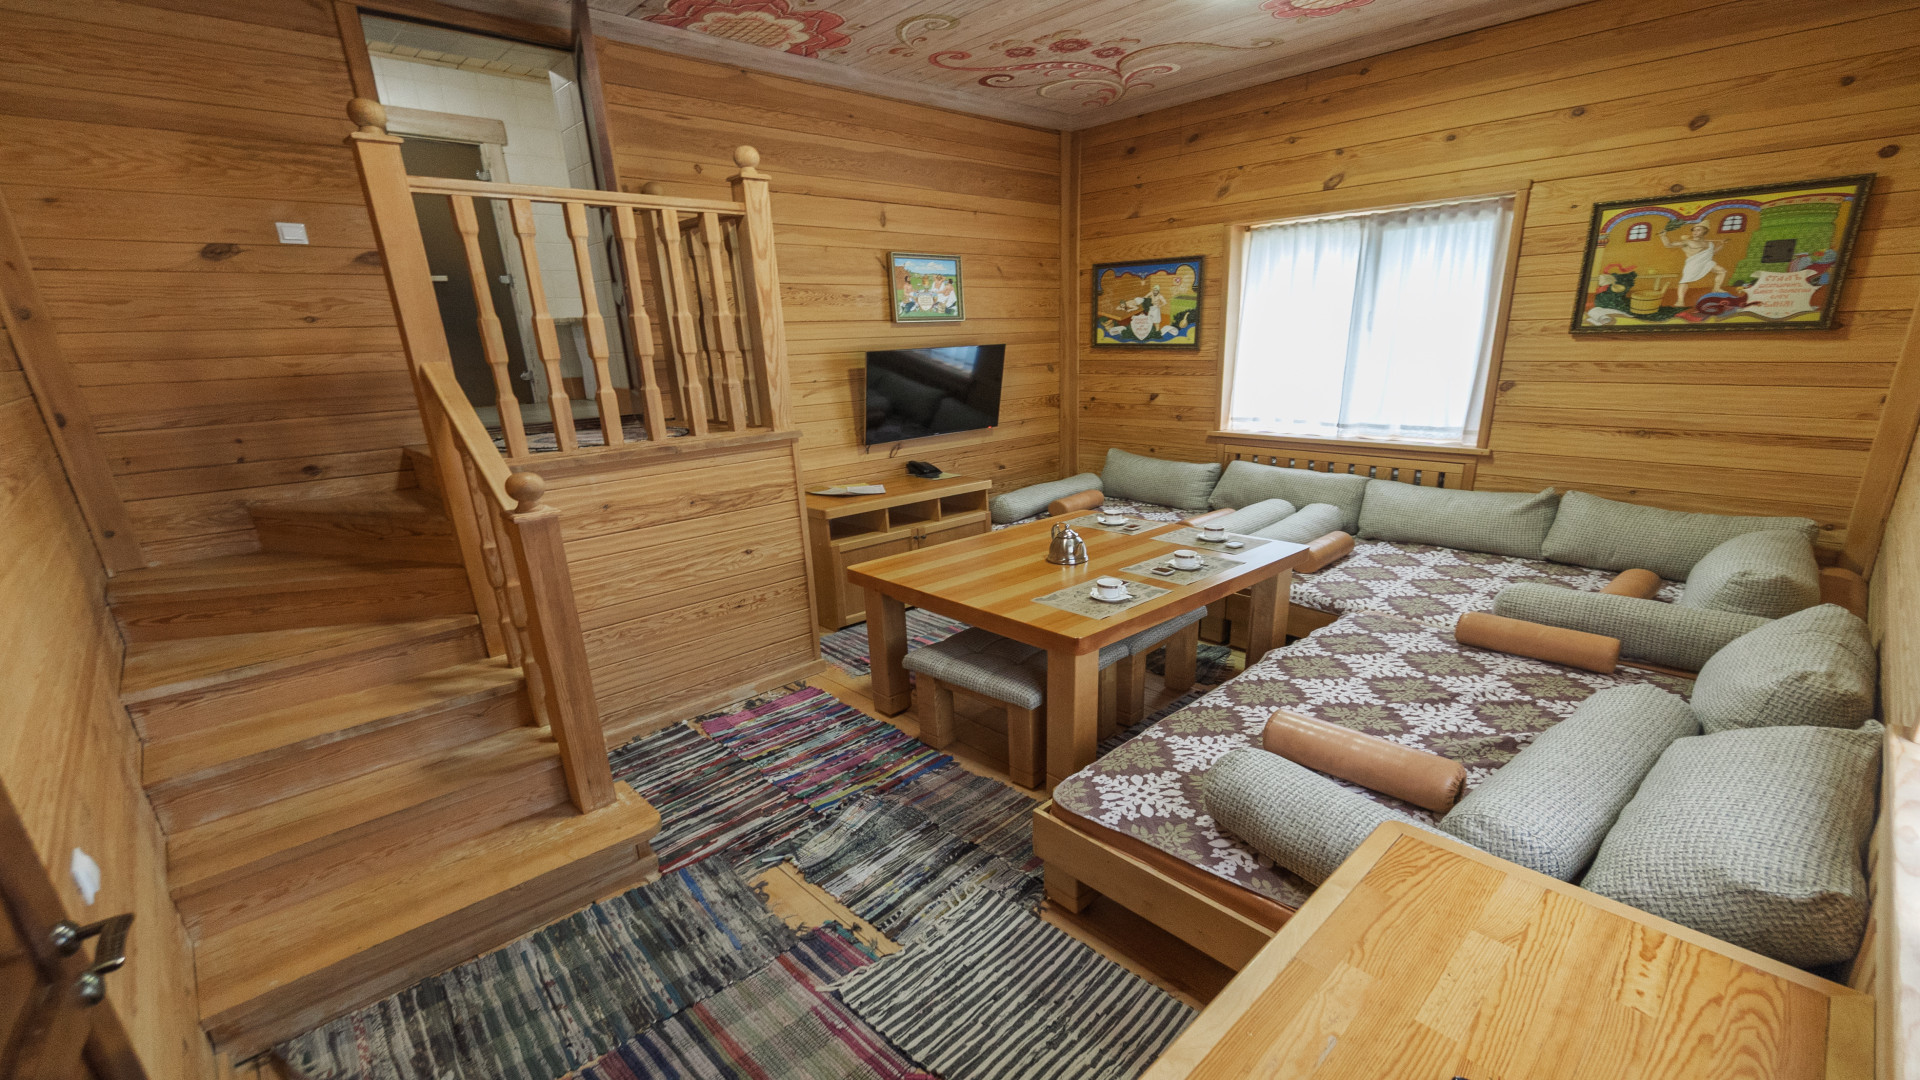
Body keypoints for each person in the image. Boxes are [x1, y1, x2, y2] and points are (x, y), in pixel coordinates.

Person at [1660, 222, 1728, 307]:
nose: (1695, 232)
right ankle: (1680, 301)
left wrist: (1721, 244)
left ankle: (1716, 288)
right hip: (1693, 264)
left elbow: (1712, 253)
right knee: (1684, 281)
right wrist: (1663, 236)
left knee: (1722, 271)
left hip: (1706, 262)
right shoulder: (1687, 242)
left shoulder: (1710, 243)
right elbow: (1668, 245)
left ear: (1705, 231)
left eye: (1698, 230)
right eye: (1694, 230)